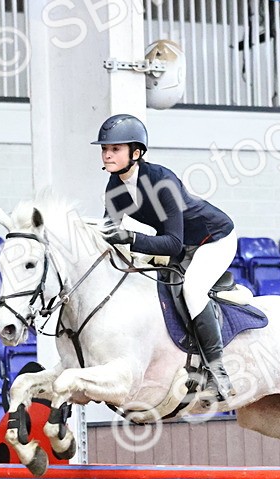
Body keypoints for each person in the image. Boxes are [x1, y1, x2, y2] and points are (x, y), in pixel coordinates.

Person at [94, 113, 237, 400]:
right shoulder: (115, 187)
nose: (108, 155)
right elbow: (108, 232)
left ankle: (218, 370)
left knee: (193, 290)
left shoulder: (162, 181)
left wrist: (131, 239)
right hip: (184, 246)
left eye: (115, 149)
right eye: (105, 149)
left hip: (213, 239)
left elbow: (172, 243)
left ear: (136, 153)